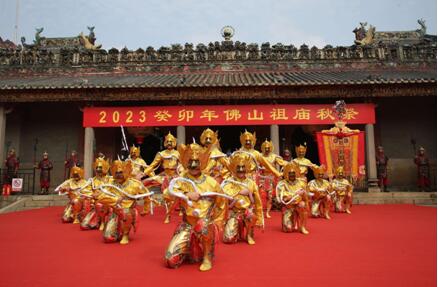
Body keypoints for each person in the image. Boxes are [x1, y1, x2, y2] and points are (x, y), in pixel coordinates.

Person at [164, 143, 227, 272]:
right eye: (191, 162)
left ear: (203, 163)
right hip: (187, 224)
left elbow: (222, 203)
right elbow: (167, 194)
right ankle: (189, 249)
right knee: (170, 260)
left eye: (196, 162)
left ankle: (207, 257)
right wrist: (186, 194)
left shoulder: (212, 182)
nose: (193, 166)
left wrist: (218, 223)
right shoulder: (180, 180)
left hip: (205, 223)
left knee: (203, 226)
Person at [95, 160, 152, 244]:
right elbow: (100, 196)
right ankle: (115, 229)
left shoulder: (135, 184)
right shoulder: (111, 183)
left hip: (128, 210)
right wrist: (115, 200)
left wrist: (146, 209)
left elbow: (147, 195)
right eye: (116, 173)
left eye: (121, 172)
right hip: (115, 210)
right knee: (108, 238)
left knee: (126, 212)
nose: (118, 175)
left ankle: (126, 234)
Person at [221, 152, 263, 245]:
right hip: (234, 212)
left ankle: (248, 235)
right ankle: (235, 230)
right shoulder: (229, 182)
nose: (241, 170)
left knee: (251, 216)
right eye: (238, 168)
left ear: (246, 169)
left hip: (247, 211)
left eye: (243, 167)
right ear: (234, 168)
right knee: (228, 239)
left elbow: (257, 201)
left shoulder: (251, 183)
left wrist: (259, 218)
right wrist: (239, 192)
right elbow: (225, 196)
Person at [143, 132, 181, 222]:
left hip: (176, 176)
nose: (169, 143)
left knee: (179, 195)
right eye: (167, 141)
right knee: (166, 195)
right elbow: (152, 165)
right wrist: (144, 173)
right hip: (165, 177)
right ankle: (168, 215)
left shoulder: (178, 153)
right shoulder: (161, 154)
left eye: (171, 141)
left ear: (174, 143)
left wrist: (181, 173)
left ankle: (180, 207)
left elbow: (182, 165)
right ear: (165, 143)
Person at [276, 162, 309, 234]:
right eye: (290, 173)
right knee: (288, 229)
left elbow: (305, 195)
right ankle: (291, 222)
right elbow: (283, 198)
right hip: (288, 206)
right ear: (286, 174)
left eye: (293, 173)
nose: (292, 175)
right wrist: (295, 194)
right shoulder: (282, 184)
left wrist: (303, 194)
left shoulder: (301, 183)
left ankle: (302, 226)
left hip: (298, 204)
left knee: (302, 205)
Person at [80, 157, 112, 231]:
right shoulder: (92, 180)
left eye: (100, 167)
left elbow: (112, 190)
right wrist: (92, 194)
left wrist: (100, 194)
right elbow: (85, 190)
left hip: (107, 203)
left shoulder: (111, 179)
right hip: (95, 204)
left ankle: (104, 222)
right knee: (84, 226)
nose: (98, 169)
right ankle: (97, 221)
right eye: (97, 167)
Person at [259, 139, 287, 218]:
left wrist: (289, 165)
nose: (267, 149)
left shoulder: (274, 156)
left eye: (268, 148)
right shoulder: (260, 156)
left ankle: (267, 212)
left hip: (271, 178)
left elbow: (283, 163)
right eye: (265, 148)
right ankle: (260, 211)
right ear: (263, 148)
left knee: (270, 196)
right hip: (262, 178)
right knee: (260, 195)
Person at [126, 145, 155, 216]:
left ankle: (145, 210)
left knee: (146, 194)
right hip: (129, 181)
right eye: (132, 152)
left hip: (138, 181)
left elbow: (147, 169)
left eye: (135, 152)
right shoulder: (127, 160)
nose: (133, 153)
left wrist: (153, 176)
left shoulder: (141, 161)